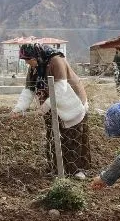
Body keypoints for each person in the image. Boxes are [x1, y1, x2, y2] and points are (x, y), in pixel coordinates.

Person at [11, 43, 91, 178]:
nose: (27, 63)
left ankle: (76, 170)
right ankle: (55, 168)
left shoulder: (56, 61)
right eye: (25, 60)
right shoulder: (34, 68)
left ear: (36, 55)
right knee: (53, 136)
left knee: (72, 136)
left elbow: (61, 89)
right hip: (51, 106)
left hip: (71, 103)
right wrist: (19, 109)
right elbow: (29, 90)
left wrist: (43, 107)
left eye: (28, 59)